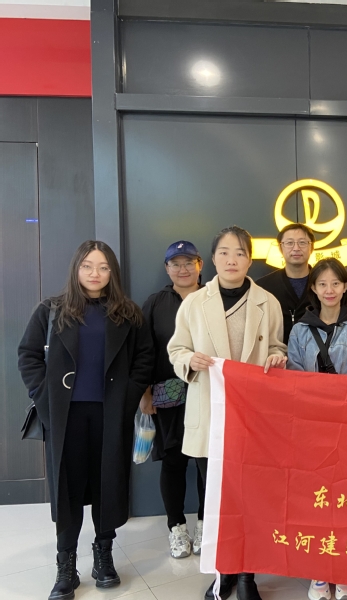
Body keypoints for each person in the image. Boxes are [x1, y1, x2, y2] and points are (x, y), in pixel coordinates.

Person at [18, 240, 153, 600]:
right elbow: (28, 355)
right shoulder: (51, 310)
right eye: (88, 266)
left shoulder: (128, 313)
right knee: (68, 487)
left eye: (103, 267)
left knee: (108, 482)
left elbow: (144, 358)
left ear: (113, 272)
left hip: (110, 413)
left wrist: (127, 398)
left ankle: (103, 555)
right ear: (76, 269)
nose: (95, 273)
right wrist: (44, 396)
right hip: (65, 416)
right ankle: (66, 564)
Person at [168, 226, 287, 600]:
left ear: (250, 259)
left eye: (239, 253)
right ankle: (225, 572)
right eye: (224, 252)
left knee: (250, 498)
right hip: (211, 412)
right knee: (217, 500)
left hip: (253, 416)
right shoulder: (194, 303)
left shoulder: (268, 302)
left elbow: (278, 346)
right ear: (212, 259)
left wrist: (277, 357)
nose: (231, 260)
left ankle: (248, 575)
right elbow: (176, 349)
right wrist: (189, 360)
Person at [286, 257, 347, 600]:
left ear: (345, 287)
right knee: (316, 499)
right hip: (312, 426)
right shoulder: (299, 330)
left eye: (335, 283)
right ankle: (320, 572)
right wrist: (319, 405)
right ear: (313, 288)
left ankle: (346, 568)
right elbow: (294, 375)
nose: (329, 290)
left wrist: (346, 403)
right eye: (322, 284)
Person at [140, 241, 207, 559]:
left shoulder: (214, 297)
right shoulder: (155, 303)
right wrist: (144, 393)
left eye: (188, 262)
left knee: (207, 461)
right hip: (168, 394)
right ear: (167, 269)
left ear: (200, 265)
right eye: (175, 264)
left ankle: (206, 524)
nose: (183, 269)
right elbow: (143, 351)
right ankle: (177, 527)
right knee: (173, 460)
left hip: (208, 391)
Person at [256, 223, 315, 344]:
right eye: (289, 243)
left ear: (311, 247)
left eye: (302, 242)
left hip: (316, 353)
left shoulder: (323, 284)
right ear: (280, 248)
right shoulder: (263, 286)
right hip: (276, 353)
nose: (296, 248)